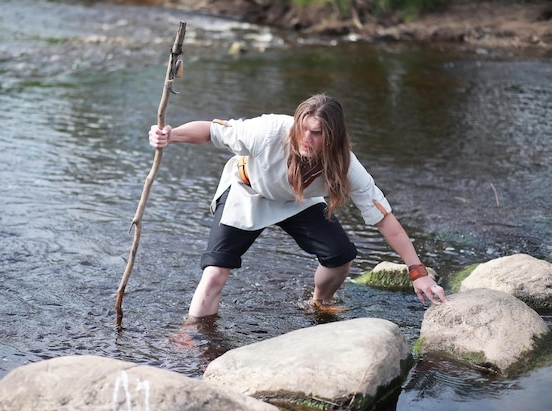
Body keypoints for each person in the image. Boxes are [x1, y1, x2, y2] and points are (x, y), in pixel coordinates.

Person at [149, 94, 447, 319]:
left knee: (341, 257)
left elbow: (385, 220)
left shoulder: (346, 165)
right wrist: (171, 135)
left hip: (296, 201)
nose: (307, 138)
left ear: (333, 137)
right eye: (304, 129)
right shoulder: (267, 131)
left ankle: (318, 302)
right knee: (215, 272)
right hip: (247, 193)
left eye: (317, 133)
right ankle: (193, 332)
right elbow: (211, 131)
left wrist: (418, 272)